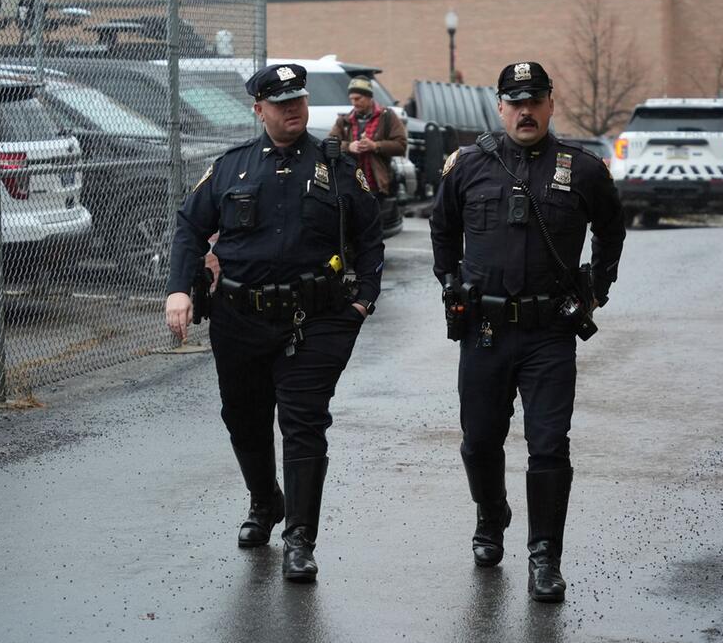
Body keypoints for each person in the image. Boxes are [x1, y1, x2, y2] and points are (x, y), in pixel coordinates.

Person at [165, 63, 383, 583]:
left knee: (304, 423)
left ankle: (300, 540)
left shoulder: (337, 167)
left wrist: (361, 305)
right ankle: (265, 503)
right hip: (240, 318)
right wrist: (178, 288)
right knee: (243, 417)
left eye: (298, 101)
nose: (293, 110)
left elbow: (371, 239)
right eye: (280, 103)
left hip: (316, 320)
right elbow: (189, 227)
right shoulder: (232, 168)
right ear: (259, 109)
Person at [429, 61, 625, 602]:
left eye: (534, 100)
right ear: (499, 107)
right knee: (479, 441)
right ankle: (491, 516)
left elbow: (612, 228)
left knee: (549, 445)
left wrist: (597, 287)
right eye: (514, 102)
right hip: (485, 331)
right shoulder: (469, 165)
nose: (525, 111)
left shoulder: (582, 169)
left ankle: (545, 557)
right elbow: (441, 227)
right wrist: (450, 282)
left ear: (550, 104)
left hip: (549, 335)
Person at [328, 75, 407, 204]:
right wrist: (349, 147)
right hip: (351, 184)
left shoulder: (387, 116)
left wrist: (375, 146)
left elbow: (401, 145)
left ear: (369, 97)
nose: (354, 102)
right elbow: (329, 144)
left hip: (379, 186)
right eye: (351, 99)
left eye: (358, 98)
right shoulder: (344, 120)